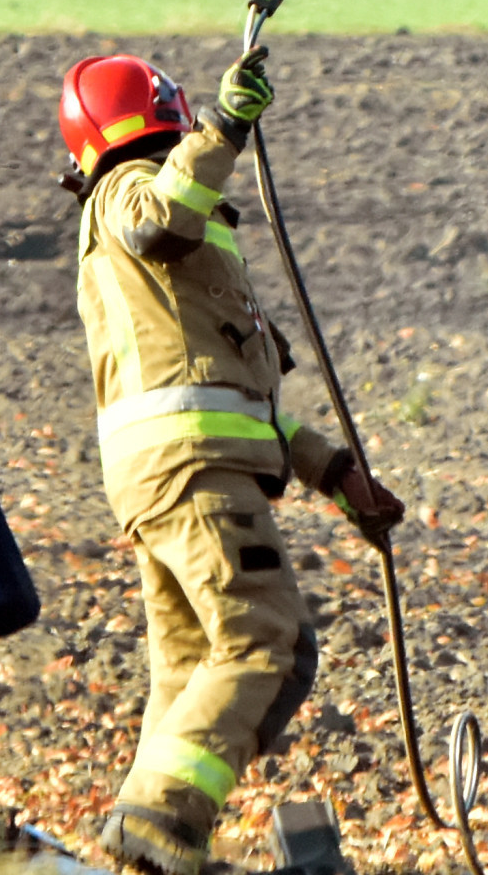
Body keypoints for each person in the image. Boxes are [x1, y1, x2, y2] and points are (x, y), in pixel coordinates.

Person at [57, 48, 405, 875]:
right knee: (263, 639)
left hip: (177, 470)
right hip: (191, 471)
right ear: (159, 116)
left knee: (188, 666)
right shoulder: (123, 198)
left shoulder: (181, 252)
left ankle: (145, 845)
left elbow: (236, 396)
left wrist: (333, 474)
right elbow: (160, 212)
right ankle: (161, 822)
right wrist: (225, 125)